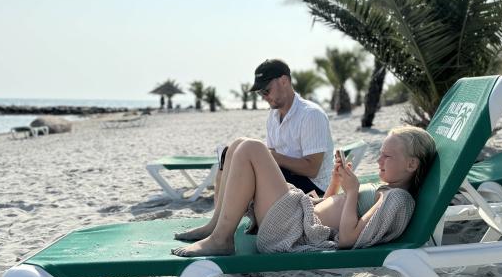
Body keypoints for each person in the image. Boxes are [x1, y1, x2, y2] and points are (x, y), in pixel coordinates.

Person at [172, 126, 436, 256]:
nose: (379, 161)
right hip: (299, 216)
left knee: (252, 147)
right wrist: (336, 185)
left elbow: (347, 239)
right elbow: (334, 209)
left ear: (412, 164)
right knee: (240, 144)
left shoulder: (399, 199)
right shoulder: (387, 190)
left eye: (387, 156)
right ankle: (215, 226)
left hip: (293, 229)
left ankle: (221, 240)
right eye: (380, 154)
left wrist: (353, 191)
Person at [249, 59, 333, 196]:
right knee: (232, 162)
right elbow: (273, 154)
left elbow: (312, 169)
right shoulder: (273, 116)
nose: (264, 97)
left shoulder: (311, 115)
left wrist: (272, 157)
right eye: (260, 93)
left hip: (316, 188)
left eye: (266, 90)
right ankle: (222, 216)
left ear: (284, 81)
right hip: (289, 178)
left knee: (252, 168)